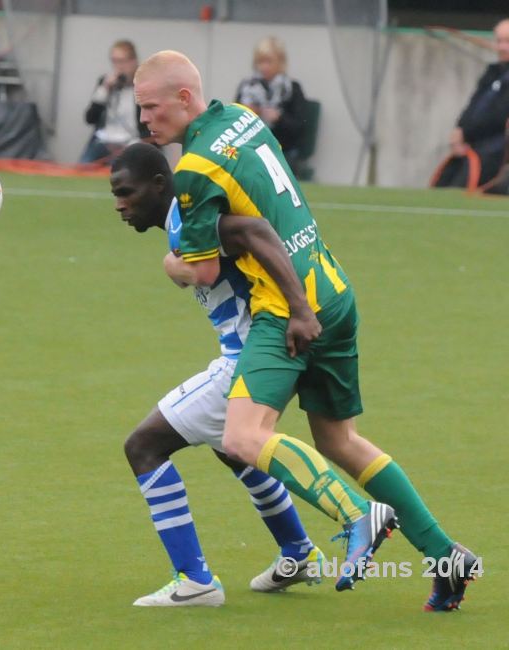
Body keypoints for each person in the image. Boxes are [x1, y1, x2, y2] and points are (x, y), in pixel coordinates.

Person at [134, 49, 479, 610]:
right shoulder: (242, 118)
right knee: (340, 440)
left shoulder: (195, 170)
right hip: (333, 289)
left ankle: (359, 516)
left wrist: (170, 262)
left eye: (150, 107)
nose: (145, 121)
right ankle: (446, 556)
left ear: (183, 97)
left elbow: (199, 270)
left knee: (241, 438)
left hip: (287, 312)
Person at [109, 142, 324, 607]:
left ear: (160, 185)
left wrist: (178, 267)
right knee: (233, 449)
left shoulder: (191, 218)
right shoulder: (179, 220)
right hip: (246, 354)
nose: (120, 204)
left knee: (143, 446)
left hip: (247, 359)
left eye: (126, 192)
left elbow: (254, 234)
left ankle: (195, 581)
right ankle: (298, 552)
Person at [432, 19, 509, 189]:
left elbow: (498, 115)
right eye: (499, 41)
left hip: (497, 152)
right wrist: (460, 130)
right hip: (472, 148)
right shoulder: (493, 72)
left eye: (508, 41)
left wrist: (468, 134)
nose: (502, 47)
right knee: (444, 184)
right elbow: (474, 106)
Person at [233, 36, 308, 174]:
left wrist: (279, 118)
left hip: (283, 150)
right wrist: (246, 113)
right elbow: (232, 123)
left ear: (281, 62)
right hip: (250, 149)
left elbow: (300, 127)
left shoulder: (291, 89)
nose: (264, 67)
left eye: (269, 61)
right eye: (260, 62)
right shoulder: (246, 87)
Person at [79, 40, 150, 164]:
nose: (119, 66)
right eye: (114, 61)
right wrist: (105, 90)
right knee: (84, 166)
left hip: (131, 141)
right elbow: (90, 118)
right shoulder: (105, 83)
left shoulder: (144, 85)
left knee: (121, 170)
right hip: (105, 141)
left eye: (122, 61)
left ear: (133, 62)